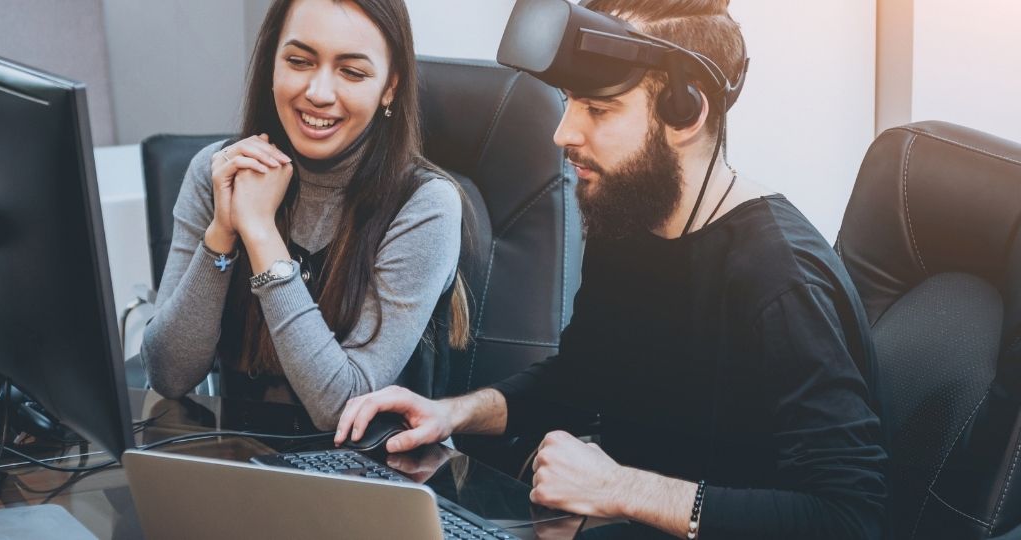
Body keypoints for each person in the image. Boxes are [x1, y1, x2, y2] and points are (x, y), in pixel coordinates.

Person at [335, 1, 888, 538]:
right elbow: (580, 379)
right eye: (571, 102)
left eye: (599, 110)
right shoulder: (630, 221)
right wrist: (449, 415)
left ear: (685, 113)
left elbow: (847, 517)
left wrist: (619, 488)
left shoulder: (780, 279)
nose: (564, 133)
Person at [142, 0, 470, 430]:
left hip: (378, 480)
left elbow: (342, 407)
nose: (318, 92)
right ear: (272, 64)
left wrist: (259, 233)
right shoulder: (219, 172)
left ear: (390, 86)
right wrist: (222, 233)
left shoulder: (425, 205)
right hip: (242, 468)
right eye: (299, 61)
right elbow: (168, 375)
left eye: (351, 72)